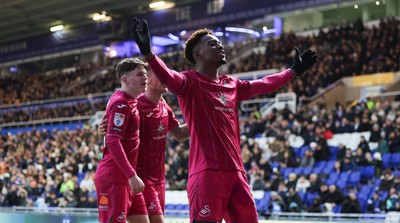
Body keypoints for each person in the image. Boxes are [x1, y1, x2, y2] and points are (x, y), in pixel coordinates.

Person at [133, 18, 317, 223]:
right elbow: (167, 76)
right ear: (197, 54)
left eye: (219, 42)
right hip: (206, 173)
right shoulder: (189, 82)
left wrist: (292, 71)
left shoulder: (232, 84)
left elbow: (265, 83)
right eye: (212, 43)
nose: (219, 45)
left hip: (237, 173)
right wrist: (148, 53)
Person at [99, 68, 190, 223]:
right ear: (147, 80)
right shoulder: (135, 105)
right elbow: (113, 134)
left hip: (159, 179)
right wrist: (103, 130)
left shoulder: (163, 106)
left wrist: (202, 118)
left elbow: (180, 134)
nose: (165, 77)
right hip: (140, 178)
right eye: (159, 74)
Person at [94, 58, 150, 223]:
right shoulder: (121, 103)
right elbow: (112, 141)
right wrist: (131, 175)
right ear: (124, 80)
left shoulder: (126, 101)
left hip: (126, 177)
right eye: (140, 74)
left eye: (145, 74)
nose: (145, 78)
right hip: (115, 178)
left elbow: (108, 135)